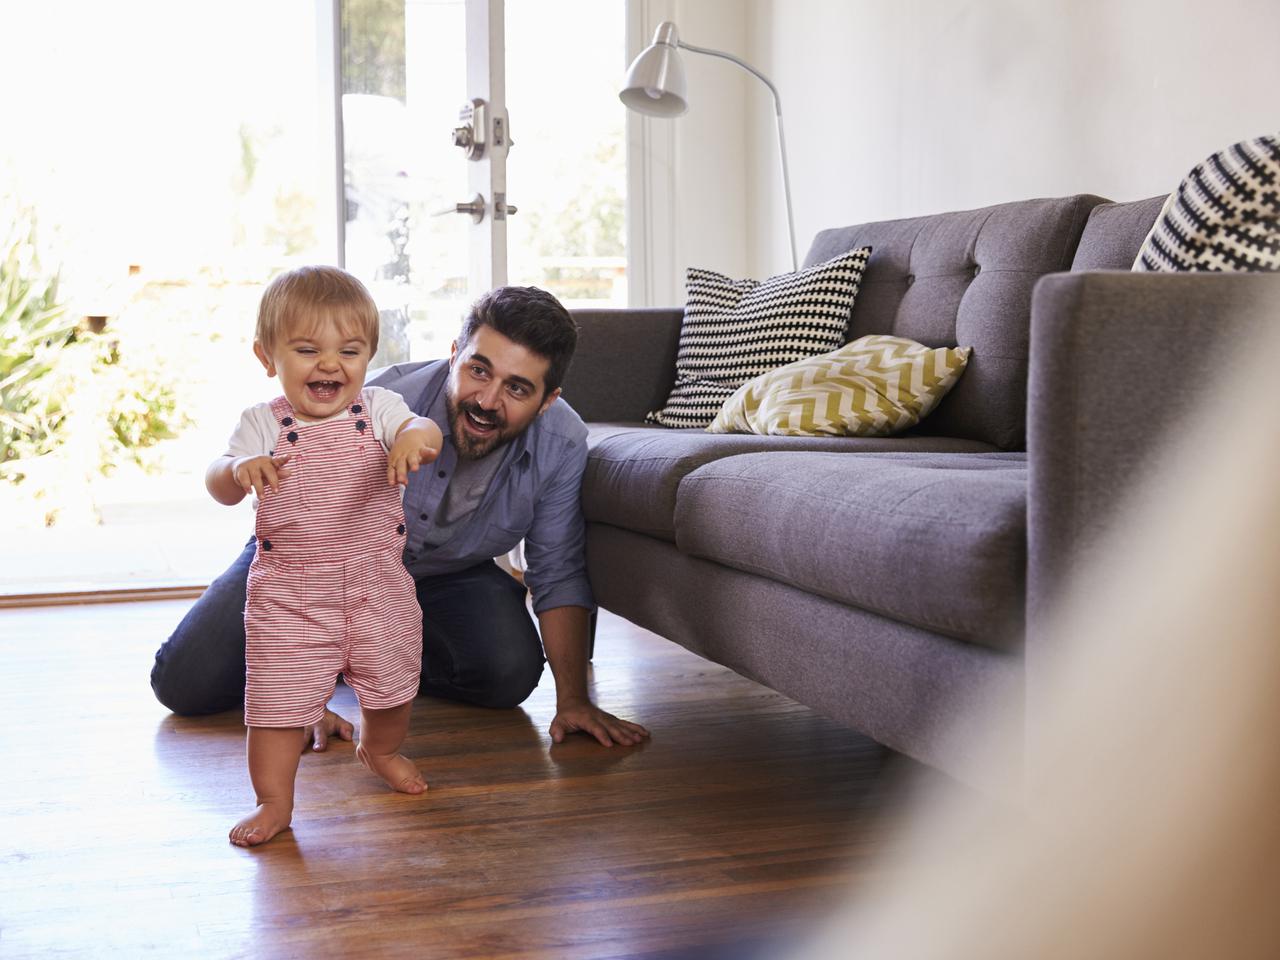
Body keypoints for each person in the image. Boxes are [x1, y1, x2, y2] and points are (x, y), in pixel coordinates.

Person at [151, 284, 649, 775]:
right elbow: (262, 477)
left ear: (546, 400)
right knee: (185, 683)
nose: (487, 399)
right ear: (454, 355)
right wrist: (303, 692)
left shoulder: (562, 443)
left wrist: (573, 700)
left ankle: (374, 662)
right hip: (306, 565)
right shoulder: (376, 400)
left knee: (508, 674)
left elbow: (557, 568)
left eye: (517, 388)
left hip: (448, 574)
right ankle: (320, 664)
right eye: (478, 370)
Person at [210, 265, 444, 846]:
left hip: (377, 585)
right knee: (275, 705)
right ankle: (273, 801)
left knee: (393, 687)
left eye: (349, 351)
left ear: (368, 356)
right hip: (290, 593)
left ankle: (379, 749)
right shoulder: (263, 423)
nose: (330, 364)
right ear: (267, 356)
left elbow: (425, 428)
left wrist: (415, 438)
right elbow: (217, 478)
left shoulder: (381, 408)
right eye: (307, 350)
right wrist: (238, 470)